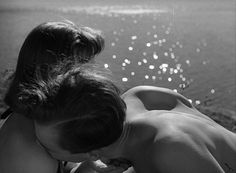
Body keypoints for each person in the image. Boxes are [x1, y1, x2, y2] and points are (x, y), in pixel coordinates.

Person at [26, 63, 236, 173]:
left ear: (92, 152)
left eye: (49, 148)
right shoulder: (139, 95)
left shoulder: (170, 151)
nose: (41, 148)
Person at [0, 21, 106, 173]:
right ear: (50, 70)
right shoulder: (31, 155)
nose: (92, 74)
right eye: (83, 65)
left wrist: (86, 167)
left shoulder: (34, 121)